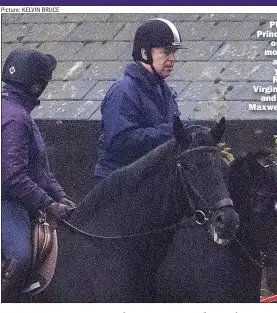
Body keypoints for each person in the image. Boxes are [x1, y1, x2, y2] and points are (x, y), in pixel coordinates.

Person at [1, 48, 77, 300]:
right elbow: (11, 176)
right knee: (19, 258)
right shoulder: (15, 119)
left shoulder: (19, 114)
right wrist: (48, 203)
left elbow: (38, 170)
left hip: (16, 198)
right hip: (6, 200)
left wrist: (60, 195)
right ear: (35, 86)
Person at [94, 18, 185, 181]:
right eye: (165, 51)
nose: (172, 59)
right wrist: (171, 132)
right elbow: (119, 141)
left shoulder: (166, 92)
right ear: (145, 53)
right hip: (119, 184)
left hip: (147, 181)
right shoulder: (123, 90)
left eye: (174, 52)